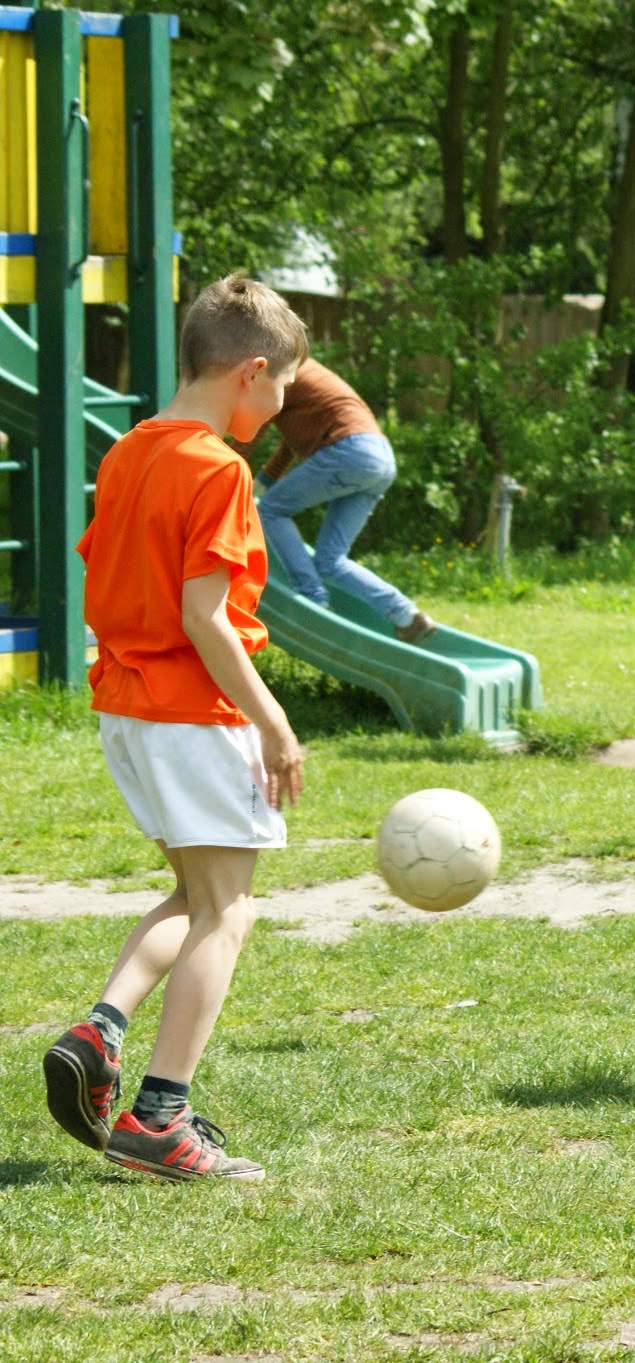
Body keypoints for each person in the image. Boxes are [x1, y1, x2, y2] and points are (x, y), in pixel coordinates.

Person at [43, 273, 308, 1182]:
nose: (278, 411)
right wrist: (272, 719)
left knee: (198, 898)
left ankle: (99, 1030)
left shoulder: (129, 451)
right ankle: (161, 1115)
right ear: (252, 371)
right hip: (192, 710)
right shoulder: (216, 467)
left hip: (127, 706)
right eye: (281, 391)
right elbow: (207, 616)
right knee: (229, 911)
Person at [240, 357, 436, 643]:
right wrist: (258, 486)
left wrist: (222, 467)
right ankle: (407, 615)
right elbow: (287, 450)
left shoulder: (280, 370)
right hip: (379, 456)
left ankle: (313, 601)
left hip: (350, 450)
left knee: (270, 512)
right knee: (330, 559)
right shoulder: (306, 379)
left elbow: (252, 431)